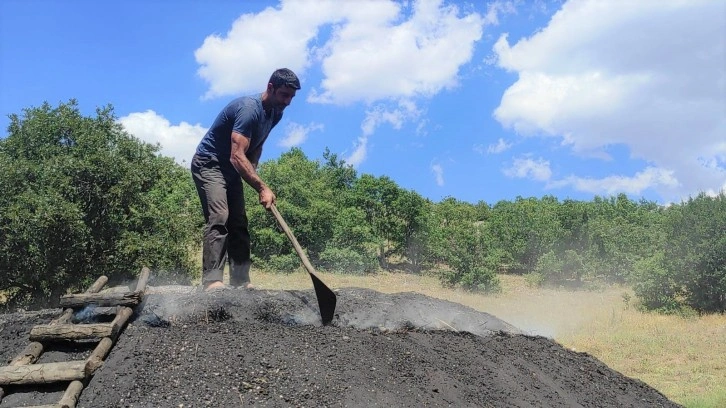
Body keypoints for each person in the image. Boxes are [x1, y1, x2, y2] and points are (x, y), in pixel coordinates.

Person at [191, 68, 300, 291]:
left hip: (232, 168)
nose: (288, 101)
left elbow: (256, 147)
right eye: (283, 95)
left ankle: (240, 281)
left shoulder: (275, 113)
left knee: (239, 222)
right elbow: (236, 154)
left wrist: (253, 176)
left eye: (291, 97)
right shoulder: (249, 109)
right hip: (209, 163)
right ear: (270, 88)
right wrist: (261, 186)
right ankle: (212, 281)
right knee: (220, 215)